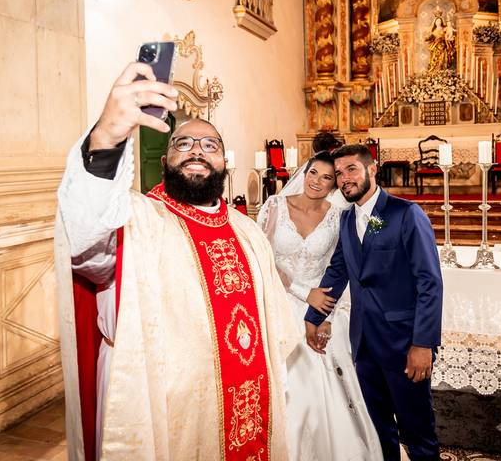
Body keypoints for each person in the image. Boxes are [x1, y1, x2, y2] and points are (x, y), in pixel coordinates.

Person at [55, 62, 299, 460]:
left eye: (210, 145)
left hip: (247, 403)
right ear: (165, 162)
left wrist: (278, 390)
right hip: (159, 408)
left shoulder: (248, 232)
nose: (197, 151)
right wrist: (105, 138)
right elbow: (88, 245)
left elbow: (273, 331)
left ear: (224, 164)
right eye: (182, 144)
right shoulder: (137, 219)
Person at [303, 144, 443, 461]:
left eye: (351, 169)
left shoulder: (406, 213)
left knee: (418, 432)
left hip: (403, 344)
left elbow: (429, 283)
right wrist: (313, 316)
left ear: (372, 169)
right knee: (379, 432)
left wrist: (423, 343)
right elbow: (339, 270)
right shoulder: (348, 220)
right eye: (339, 173)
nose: (344, 178)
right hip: (364, 343)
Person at [257, 151, 382, 461]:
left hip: (322, 307)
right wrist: (304, 292)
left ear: (334, 185)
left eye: (327, 178)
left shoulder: (339, 217)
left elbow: (340, 267)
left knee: (327, 379)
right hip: (279, 301)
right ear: (304, 172)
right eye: (313, 173)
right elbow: (262, 258)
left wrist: (326, 313)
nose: (317, 181)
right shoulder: (274, 206)